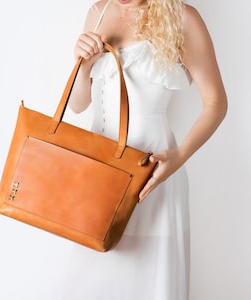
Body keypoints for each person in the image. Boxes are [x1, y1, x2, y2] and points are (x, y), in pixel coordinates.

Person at [60, 0, 227, 299]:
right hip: (97, 177)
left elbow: (216, 103)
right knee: (91, 282)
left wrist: (179, 157)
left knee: (148, 284)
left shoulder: (183, 18)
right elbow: (78, 104)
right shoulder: (98, 12)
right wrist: (82, 63)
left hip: (151, 176)